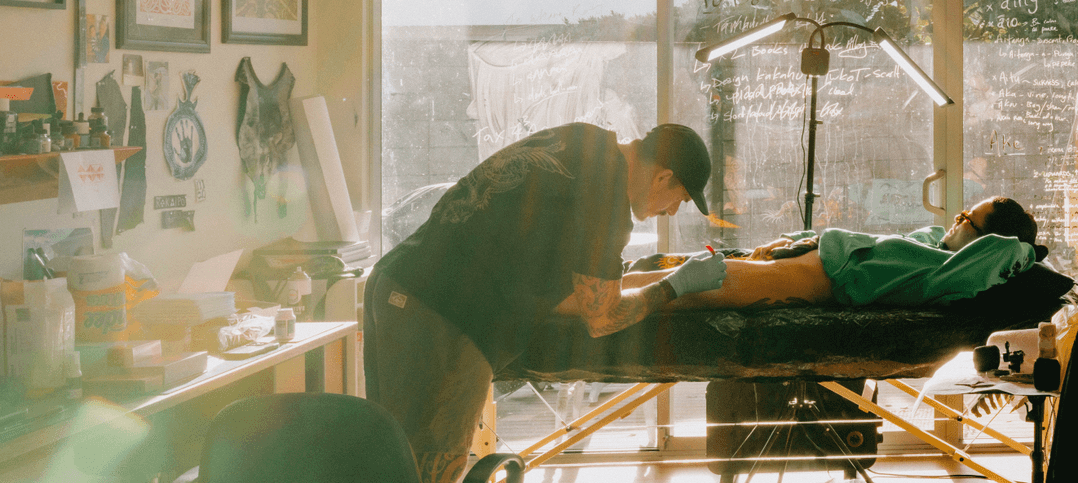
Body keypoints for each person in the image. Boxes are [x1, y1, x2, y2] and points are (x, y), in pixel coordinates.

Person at [364, 122, 725, 483]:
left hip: (397, 283)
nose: (673, 211)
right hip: (440, 312)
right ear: (663, 178)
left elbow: (547, 269)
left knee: (392, 458)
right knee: (429, 470)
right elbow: (602, 317)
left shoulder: (585, 140)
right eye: (681, 199)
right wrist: (676, 285)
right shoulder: (607, 197)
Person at [622, 196, 1040, 310]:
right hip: (806, 253)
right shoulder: (930, 243)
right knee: (674, 264)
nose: (958, 217)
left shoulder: (951, 269)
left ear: (989, 241)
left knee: (697, 283)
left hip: (818, 277)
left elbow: (1007, 250)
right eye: (964, 210)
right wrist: (795, 240)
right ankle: (600, 281)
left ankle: (576, 299)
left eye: (970, 219)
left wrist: (1029, 246)